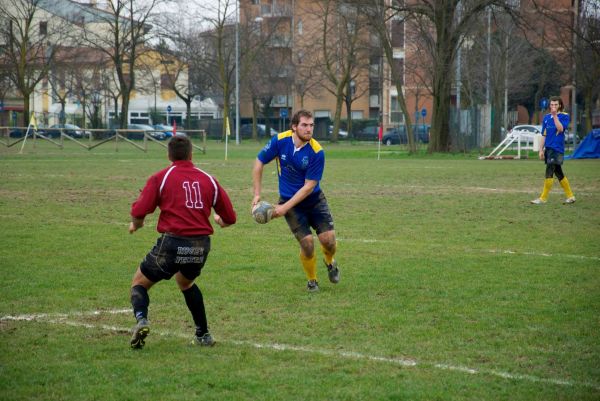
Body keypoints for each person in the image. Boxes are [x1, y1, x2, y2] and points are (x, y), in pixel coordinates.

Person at [128, 135, 236, 349]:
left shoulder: (162, 177)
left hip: (173, 243)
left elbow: (140, 211)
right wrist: (220, 221)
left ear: (169, 155)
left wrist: (136, 225)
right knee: (185, 283)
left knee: (139, 283)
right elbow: (230, 218)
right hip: (200, 246)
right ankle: (203, 334)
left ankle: (141, 320)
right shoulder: (209, 179)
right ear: (191, 154)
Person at [252, 109, 340, 292]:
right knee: (307, 244)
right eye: (304, 125)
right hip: (289, 201)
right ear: (294, 127)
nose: (309, 129)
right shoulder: (279, 141)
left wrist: (283, 208)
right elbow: (259, 162)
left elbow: (308, 187)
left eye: (311, 125)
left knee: (328, 241)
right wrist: (257, 194)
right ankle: (312, 280)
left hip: (314, 200)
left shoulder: (317, 152)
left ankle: (330, 261)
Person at [531, 96, 576, 205]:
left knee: (549, 171)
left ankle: (543, 198)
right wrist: (541, 150)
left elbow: (560, 129)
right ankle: (570, 196)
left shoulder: (564, 116)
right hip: (548, 149)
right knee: (559, 173)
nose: (553, 106)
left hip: (557, 149)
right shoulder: (546, 117)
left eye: (556, 104)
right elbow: (543, 135)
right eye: (551, 105)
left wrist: (555, 116)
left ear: (560, 105)